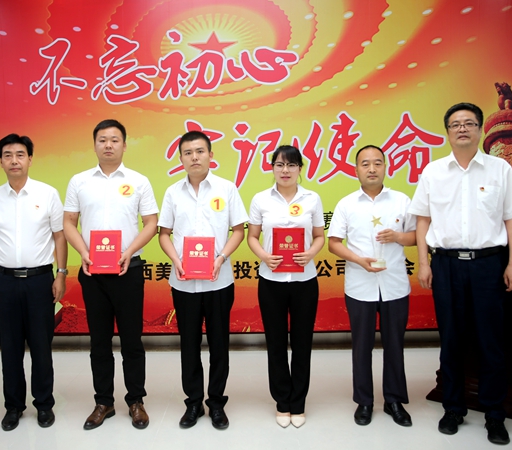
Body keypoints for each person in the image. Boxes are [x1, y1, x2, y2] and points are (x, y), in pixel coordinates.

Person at [409, 103, 512, 445]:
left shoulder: (499, 170)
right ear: (447, 132)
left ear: (479, 130)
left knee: (491, 340)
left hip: (488, 265)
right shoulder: (433, 172)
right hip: (446, 265)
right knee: (451, 339)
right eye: (455, 124)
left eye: (469, 123)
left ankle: (494, 414)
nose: (462, 128)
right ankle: (453, 408)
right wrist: (424, 262)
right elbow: (423, 220)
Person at [63, 119, 158, 430]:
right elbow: (68, 222)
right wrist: (83, 252)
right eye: (102, 139)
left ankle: (136, 401)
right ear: (94, 145)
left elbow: (151, 223)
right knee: (99, 341)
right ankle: (103, 401)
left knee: (132, 341)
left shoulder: (139, 181)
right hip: (92, 271)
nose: (108, 145)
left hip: (128, 270)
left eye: (114, 140)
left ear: (124, 145)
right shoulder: (79, 181)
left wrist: (129, 251)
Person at [0, 134, 67, 431]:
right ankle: (13, 406)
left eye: (20, 155)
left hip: (40, 281)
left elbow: (59, 237)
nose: (14, 160)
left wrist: (61, 274)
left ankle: (44, 405)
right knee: (10, 348)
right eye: (8, 155)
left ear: (30, 159)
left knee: (41, 347)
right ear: (0, 161)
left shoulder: (47, 194)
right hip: (4, 281)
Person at [158, 130, 248, 430]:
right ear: (181, 158)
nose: (194, 157)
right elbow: (164, 234)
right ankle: (194, 402)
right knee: (189, 344)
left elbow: (238, 230)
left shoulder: (226, 188)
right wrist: (176, 260)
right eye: (188, 153)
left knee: (219, 344)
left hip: (218, 281)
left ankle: (217, 403)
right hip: (183, 282)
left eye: (199, 151)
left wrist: (221, 257)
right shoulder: (173, 192)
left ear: (210, 155)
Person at [328, 145, 416, 428]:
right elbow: (334, 243)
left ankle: (394, 401)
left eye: (377, 163)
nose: (372, 169)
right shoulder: (346, 204)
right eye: (365, 164)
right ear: (356, 170)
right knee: (361, 346)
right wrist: (358, 260)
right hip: (360, 285)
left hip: (395, 285)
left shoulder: (402, 200)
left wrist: (398, 237)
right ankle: (364, 401)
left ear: (386, 167)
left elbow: (417, 236)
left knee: (395, 345)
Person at [247, 145, 325, 428]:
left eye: (291, 165)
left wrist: (311, 252)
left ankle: (298, 402)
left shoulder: (312, 198)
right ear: (272, 168)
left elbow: (319, 236)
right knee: (276, 343)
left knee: (303, 343)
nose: (285, 170)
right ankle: (282, 401)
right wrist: (264, 256)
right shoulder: (261, 199)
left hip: (305, 281)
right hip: (271, 281)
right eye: (279, 165)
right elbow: (252, 237)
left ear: (300, 168)